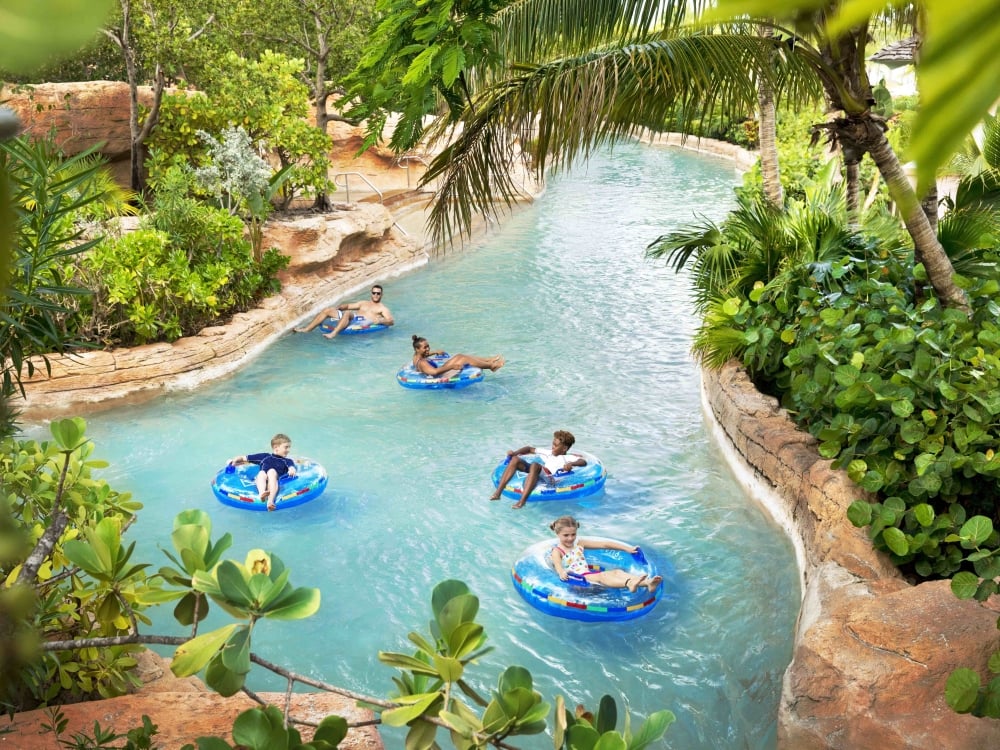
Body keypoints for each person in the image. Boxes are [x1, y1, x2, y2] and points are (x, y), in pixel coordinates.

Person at [549, 515, 662, 593]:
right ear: (557, 533)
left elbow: (604, 545)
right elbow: (558, 567)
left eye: (573, 534)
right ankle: (629, 583)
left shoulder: (579, 543)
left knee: (617, 572)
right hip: (578, 581)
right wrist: (561, 572)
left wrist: (627, 549)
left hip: (587, 574)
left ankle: (648, 582)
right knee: (602, 576)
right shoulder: (557, 551)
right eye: (566, 535)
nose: (570, 538)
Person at [490, 430, 585, 508]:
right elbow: (529, 449)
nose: (552, 447)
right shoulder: (548, 453)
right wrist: (514, 453)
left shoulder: (569, 458)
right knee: (515, 460)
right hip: (540, 473)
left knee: (535, 465)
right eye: (553, 444)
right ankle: (498, 493)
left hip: (551, 479)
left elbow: (583, 462)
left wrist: (571, 464)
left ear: (564, 448)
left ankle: (522, 501)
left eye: (556, 446)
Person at [294, 284, 395, 339]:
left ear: (381, 295)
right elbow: (349, 306)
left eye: (378, 293)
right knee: (327, 310)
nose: (376, 295)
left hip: (363, 322)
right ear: (371, 293)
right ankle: (307, 329)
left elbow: (391, 321)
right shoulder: (363, 303)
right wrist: (341, 307)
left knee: (347, 313)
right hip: (354, 318)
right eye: (374, 293)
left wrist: (381, 321)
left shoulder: (382, 308)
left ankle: (333, 334)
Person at [228, 433, 296, 511]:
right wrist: (234, 460)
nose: (288, 450)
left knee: (271, 471)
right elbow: (244, 458)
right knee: (261, 473)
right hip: (262, 480)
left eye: (289, 447)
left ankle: (270, 501)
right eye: (286, 447)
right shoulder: (264, 456)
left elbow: (291, 467)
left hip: (275, 480)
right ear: (276, 447)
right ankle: (262, 493)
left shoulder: (287, 461)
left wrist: (292, 469)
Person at [410, 335, 504, 378]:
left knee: (460, 355)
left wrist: (435, 352)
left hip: (440, 370)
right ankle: (491, 366)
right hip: (440, 375)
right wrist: (452, 366)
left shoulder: (416, 356)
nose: (428, 349)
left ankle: (488, 360)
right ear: (417, 349)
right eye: (425, 347)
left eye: (428, 346)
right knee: (462, 359)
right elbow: (435, 372)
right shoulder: (422, 363)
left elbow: (425, 355)